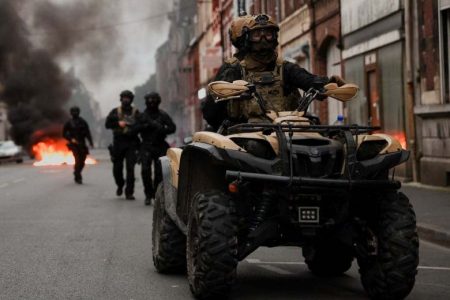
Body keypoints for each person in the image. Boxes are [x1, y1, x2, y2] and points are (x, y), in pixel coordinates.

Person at [202, 14, 346, 129]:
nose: (264, 39)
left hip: (288, 131)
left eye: (268, 34)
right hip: (246, 134)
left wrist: (326, 84)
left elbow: (307, 79)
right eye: (257, 35)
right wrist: (230, 124)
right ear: (244, 39)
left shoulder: (284, 67)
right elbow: (211, 112)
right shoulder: (232, 69)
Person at [136, 92, 176, 205]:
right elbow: (134, 129)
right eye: (150, 99)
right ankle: (148, 195)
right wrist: (145, 126)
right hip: (146, 146)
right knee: (145, 171)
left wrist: (162, 129)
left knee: (160, 172)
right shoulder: (142, 116)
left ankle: (156, 194)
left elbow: (172, 128)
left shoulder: (163, 115)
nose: (152, 102)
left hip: (159, 145)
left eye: (154, 99)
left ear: (158, 101)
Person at [105, 90, 140, 200]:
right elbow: (107, 124)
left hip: (131, 143)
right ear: (121, 99)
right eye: (124, 97)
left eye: (128, 98)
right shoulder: (115, 112)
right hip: (118, 143)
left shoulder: (136, 112)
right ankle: (120, 184)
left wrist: (133, 129)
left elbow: (142, 125)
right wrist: (117, 123)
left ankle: (129, 192)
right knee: (117, 169)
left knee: (130, 168)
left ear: (131, 99)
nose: (126, 100)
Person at [63, 106, 94, 184]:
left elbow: (87, 133)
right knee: (77, 160)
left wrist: (91, 142)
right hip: (74, 145)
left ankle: (77, 172)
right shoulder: (69, 123)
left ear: (79, 112)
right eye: (73, 111)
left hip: (82, 143)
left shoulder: (83, 122)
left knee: (82, 161)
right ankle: (78, 176)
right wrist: (70, 139)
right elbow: (64, 134)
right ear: (71, 113)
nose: (75, 113)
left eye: (76, 111)